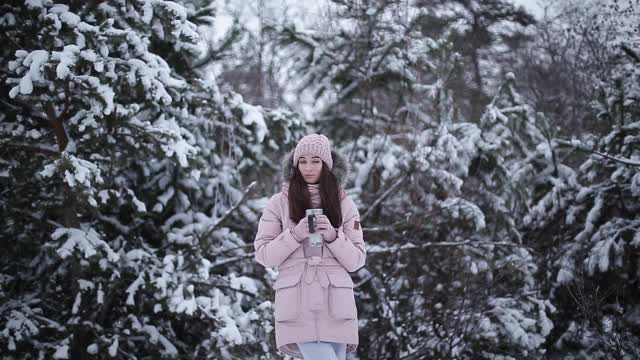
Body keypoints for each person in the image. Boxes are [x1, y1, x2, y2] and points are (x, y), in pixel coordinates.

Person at [254, 134, 367, 360]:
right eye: (302, 161)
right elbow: (264, 255)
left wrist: (334, 236)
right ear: (295, 165)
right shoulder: (279, 203)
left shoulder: (344, 202)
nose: (308, 167)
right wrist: (296, 234)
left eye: (315, 161)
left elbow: (356, 260)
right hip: (298, 304)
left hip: (336, 304)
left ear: (326, 165)